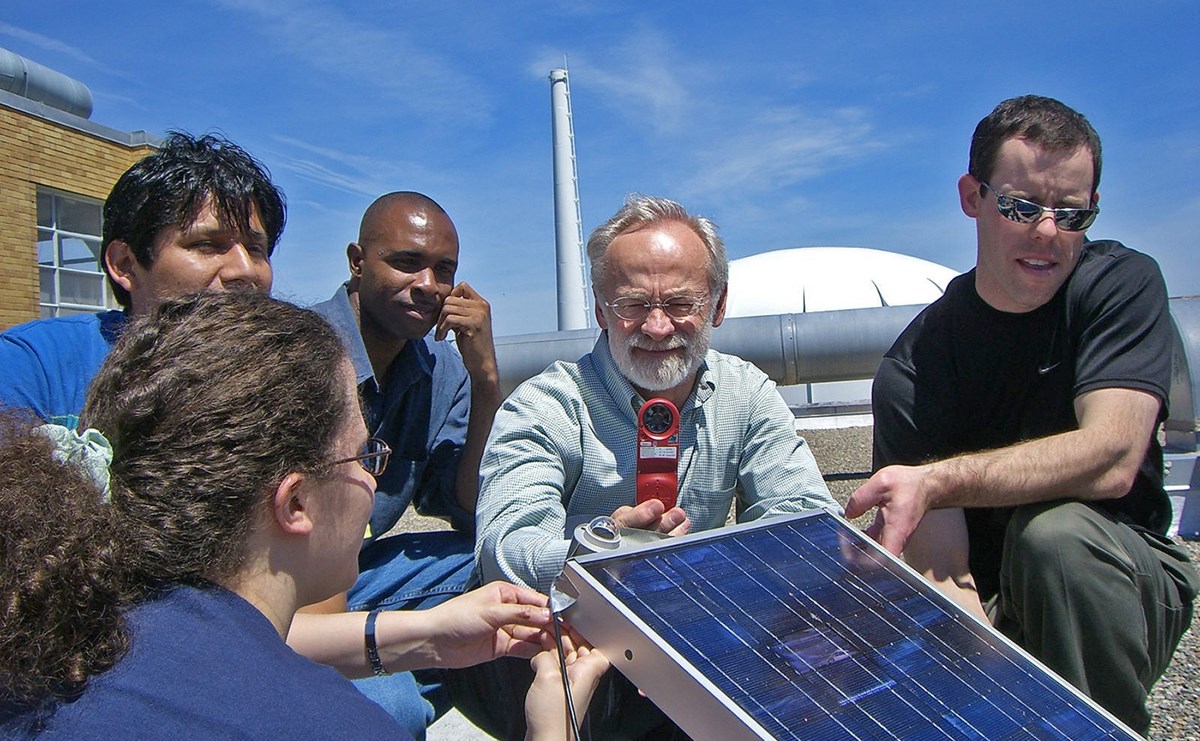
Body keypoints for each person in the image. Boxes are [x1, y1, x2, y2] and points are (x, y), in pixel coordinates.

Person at [0, 291, 606, 739]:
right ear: (293, 503)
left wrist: (428, 635)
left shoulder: (59, 627)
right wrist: (554, 727)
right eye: (365, 453)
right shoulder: (334, 727)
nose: (373, 478)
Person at [845, 95, 1198, 734]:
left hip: (1122, 578)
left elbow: (1114, 458)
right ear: (972, 197)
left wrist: (939, 480)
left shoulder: (1119, 285)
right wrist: (987, 699)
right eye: (1021, 206)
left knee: (1055, 539)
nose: (1046, 233)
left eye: (1072, 213)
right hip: (989, 603)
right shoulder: (917, 369)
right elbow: (942, 569)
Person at [462, 194, 837, 739]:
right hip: (571, 658)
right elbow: (505, 551)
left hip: (703, 643)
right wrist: (605, 554)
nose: (658, 327)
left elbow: (805, 519)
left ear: (718, 304)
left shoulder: (746, 394)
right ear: (599, 309)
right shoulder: (546, 405)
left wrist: (685, 573)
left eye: (681, 303)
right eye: (633, 305)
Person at [307, 192, 501, 728]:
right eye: (406, 262)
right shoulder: (298, 349)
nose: (429, 286)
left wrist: (486, 383)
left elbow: (463, 506)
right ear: (356, 261)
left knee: (505, 572)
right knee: (391, 706)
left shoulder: (442, 369)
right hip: (282, 585)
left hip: (358, 575)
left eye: (444, 270)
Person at [0, 131, 285, 428]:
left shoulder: (293, 374)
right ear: (125, 264)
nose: (246, 270)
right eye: (207, 245)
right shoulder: (33, 367)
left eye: (256, 249)